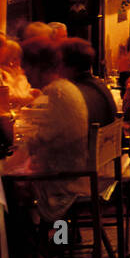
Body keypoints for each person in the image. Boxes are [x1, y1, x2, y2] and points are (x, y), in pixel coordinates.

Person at [11, 37, 90, 223]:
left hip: (62, 181)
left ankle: (43, 245)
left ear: (39, 67)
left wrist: (6, 129)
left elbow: (32, 143)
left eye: (26, 67)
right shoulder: (66, 88)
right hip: (74, 170)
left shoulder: (56, 94)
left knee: (3, 187)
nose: (24, 73)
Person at [60, 37, 117, 128]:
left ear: (67, 65)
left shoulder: (74, 95)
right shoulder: (99, 85)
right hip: (110, 141)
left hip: (89, 141)